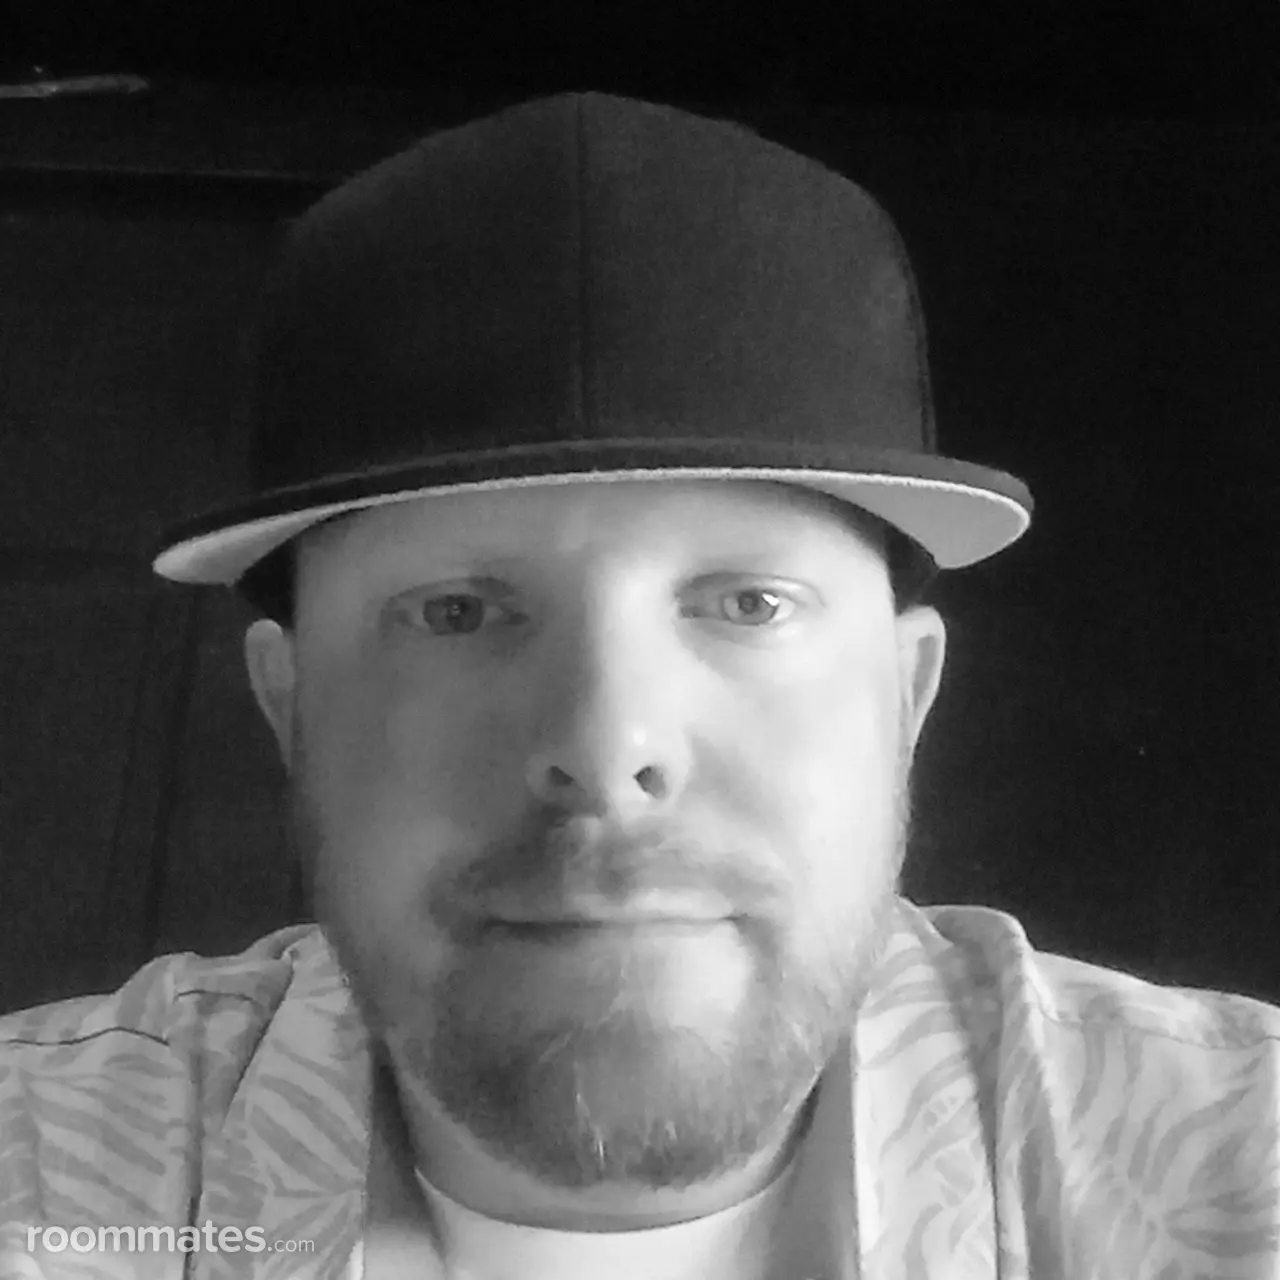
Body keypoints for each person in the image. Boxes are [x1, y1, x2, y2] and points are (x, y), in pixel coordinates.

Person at [1, 91, 1278, 1280]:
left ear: (904, 697)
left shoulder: (1236, 1164)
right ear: (292, 709)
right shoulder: (39, 1169)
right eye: (456, 611)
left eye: (748, 603)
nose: (606, 745)